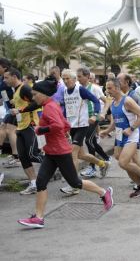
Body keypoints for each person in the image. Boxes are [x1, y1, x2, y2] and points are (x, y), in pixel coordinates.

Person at [17, 77, 113, 229]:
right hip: (51, 152)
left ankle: (104, 193)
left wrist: (41, 130)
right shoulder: (51, 105)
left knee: (75, 182)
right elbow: (66, 124)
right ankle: (38, 218)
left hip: (60, 152)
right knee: (41, 182)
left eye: (35, 95)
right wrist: (59, 134)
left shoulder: (49, 107)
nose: (33, 98)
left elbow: (57, 125)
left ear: (43, 94)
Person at [60, 69, 110, 195]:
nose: (65, 81)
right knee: (81, 155)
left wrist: (95, 115)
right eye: (64, 79)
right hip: (72, 126)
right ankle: (102, 164)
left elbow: (95, 100)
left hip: (82, 125)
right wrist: (64, 124)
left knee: (73, 154)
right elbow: (67, 109)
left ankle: (74, 185)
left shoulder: (80, 89)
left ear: (74, 79)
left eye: (68, 78)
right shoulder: (65, 91)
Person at [100, 79, 140, 198]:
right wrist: (107, 131)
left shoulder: (127, 101)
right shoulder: (113, 103)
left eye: (109, 88)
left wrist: (131, 128)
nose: (107, 91)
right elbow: (115, 121)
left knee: (123, 162)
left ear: (117, 88)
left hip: (131, 135)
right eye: (106, 88)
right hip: (119, 135)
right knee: (120, 158)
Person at [5, 68, 43, 195]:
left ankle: (58, 162)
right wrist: (15, 111)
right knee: (23, 157)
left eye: (6, 77)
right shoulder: (15, 91)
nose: (4, 80)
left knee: (33, 154)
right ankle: (33, 184)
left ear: (14, 77)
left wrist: (20, 110)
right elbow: (21, 106)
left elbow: (37, 103)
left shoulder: (25, 88)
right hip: (20, 126)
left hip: (30, 125)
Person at [76, 68, 111, 178]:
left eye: (80, 76)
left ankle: (92, 167)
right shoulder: (77, 88)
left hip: (93, 118)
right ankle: (106, 158)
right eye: (77, 77)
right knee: (93, 142)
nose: (78, 79)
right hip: (82, 119)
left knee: (88, 140)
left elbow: (107, 101)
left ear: (87, 76)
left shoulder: (95, 88)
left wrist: (102, 113)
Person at [0, 58, 19, 167]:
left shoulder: (10, 75)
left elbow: (18, 89)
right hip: (9, 109)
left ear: (4, 67)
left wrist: (16, 104)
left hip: (15, 109)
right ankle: (14, 155)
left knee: (11, 130)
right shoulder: (3, 78)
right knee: (4, 128)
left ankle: (16, 157)